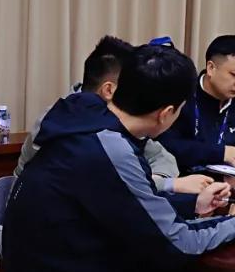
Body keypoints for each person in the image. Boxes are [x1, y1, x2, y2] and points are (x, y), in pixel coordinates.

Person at [3, 44, 235, 272]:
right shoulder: (108, 148)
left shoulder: (84, 121)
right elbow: (176, 244)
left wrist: (193, 205)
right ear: (166, 113)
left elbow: (128, 202)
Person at [16, 36, 211, 195]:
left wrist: (152, 182)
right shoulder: (58, 122)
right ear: (109, 90)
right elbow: (103, 187)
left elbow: (163, 157)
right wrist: (166, 184)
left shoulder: (118, 120)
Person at [157, 35, 235, 171]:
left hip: (227, 181)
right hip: (182, 178)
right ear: (211, 68)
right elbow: (166, 144)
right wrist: (219, 153)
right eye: (234, 74)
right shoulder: (182, 96)